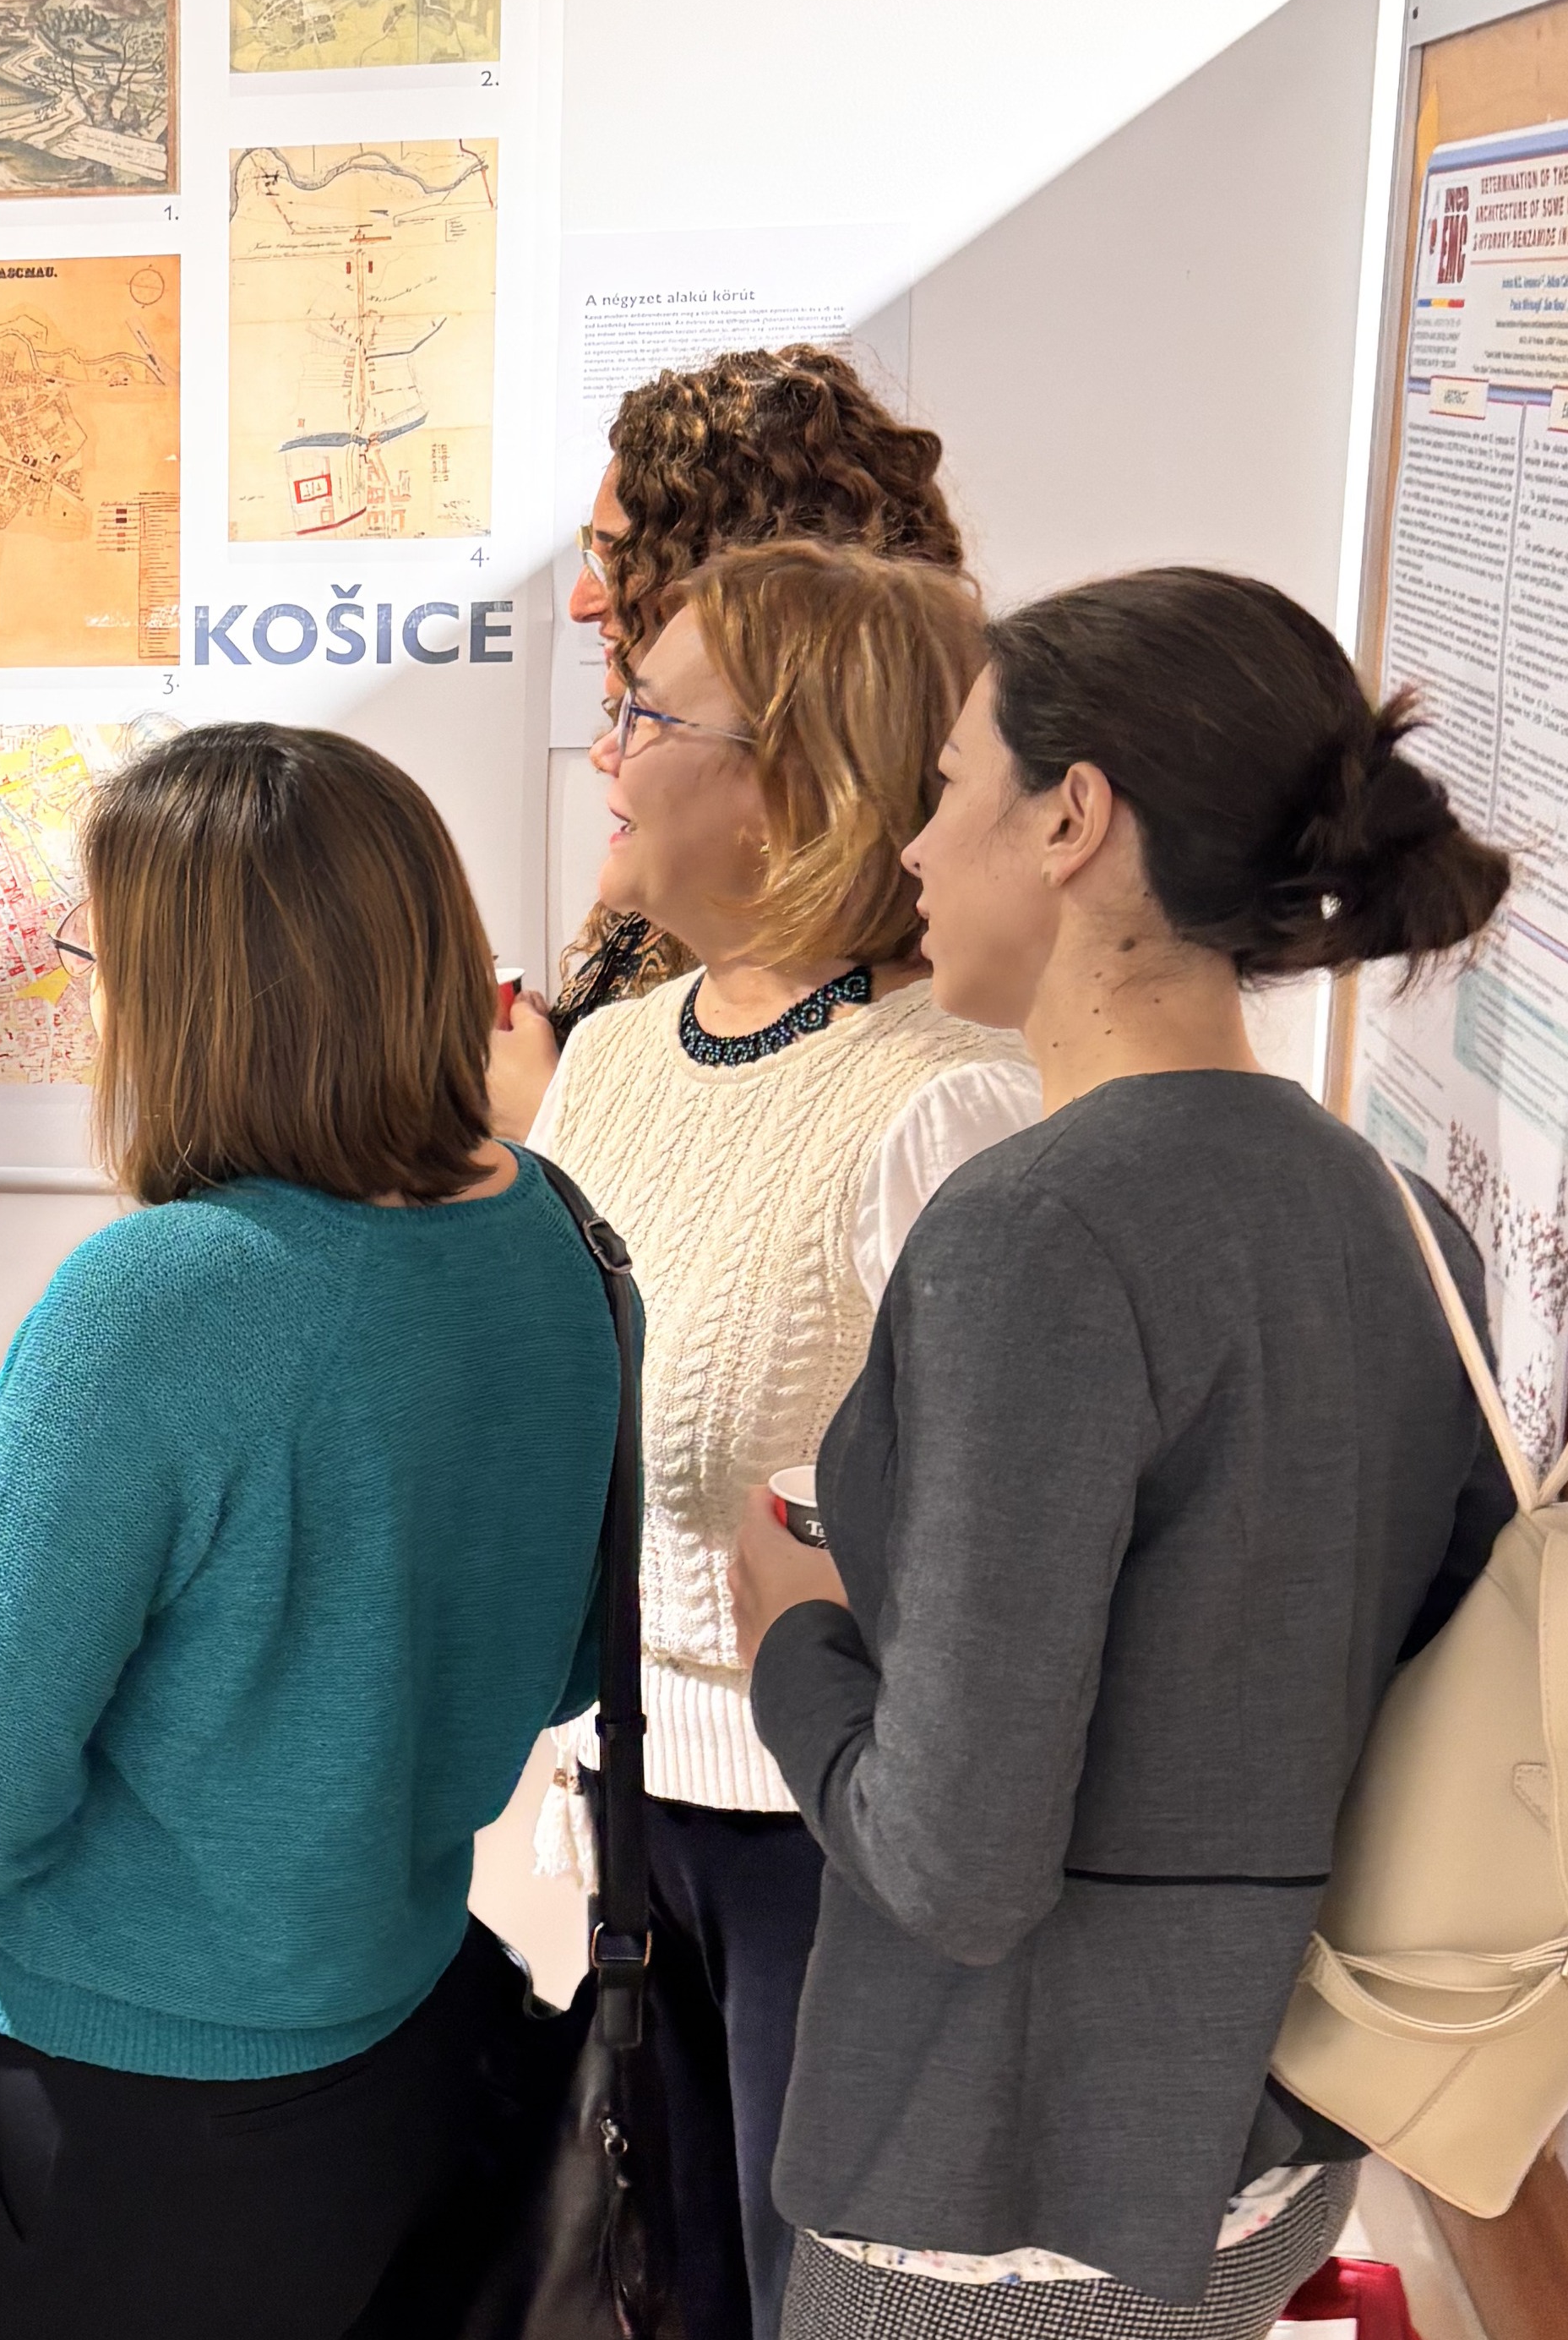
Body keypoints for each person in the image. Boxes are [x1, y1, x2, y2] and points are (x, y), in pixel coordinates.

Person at [734, 565, 1518, 2337]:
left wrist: (793, 1632)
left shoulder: (1033, 1236)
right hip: (1261, 2153)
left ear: (1072, 817)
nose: (911, 846)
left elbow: (955, 1865)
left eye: (948, 786)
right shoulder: (1398, 1217)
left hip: (1003, 2200)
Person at [0, 723, 622, 2339]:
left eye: (97, 962)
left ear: (196, 997)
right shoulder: (544, 1229)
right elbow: (556, 1665)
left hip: (121, 2084)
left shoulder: (164, 1298)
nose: (90, 1006)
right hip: (395, 2039)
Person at [522, 539, 1032, 2340]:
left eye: (646, 715)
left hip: (834, 1843)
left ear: (796, 780)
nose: (606, 748)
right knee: (659, 2287)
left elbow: (996, 1554)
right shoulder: (617, 1052)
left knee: (807, 2299)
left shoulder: (948, 1098)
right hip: (628, 1794)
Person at [500, 344, 966, 1133]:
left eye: (614, 560)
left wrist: (548, 1120)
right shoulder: (680, 884)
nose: (582, 602)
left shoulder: (936, 1070)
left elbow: (763, 1156)